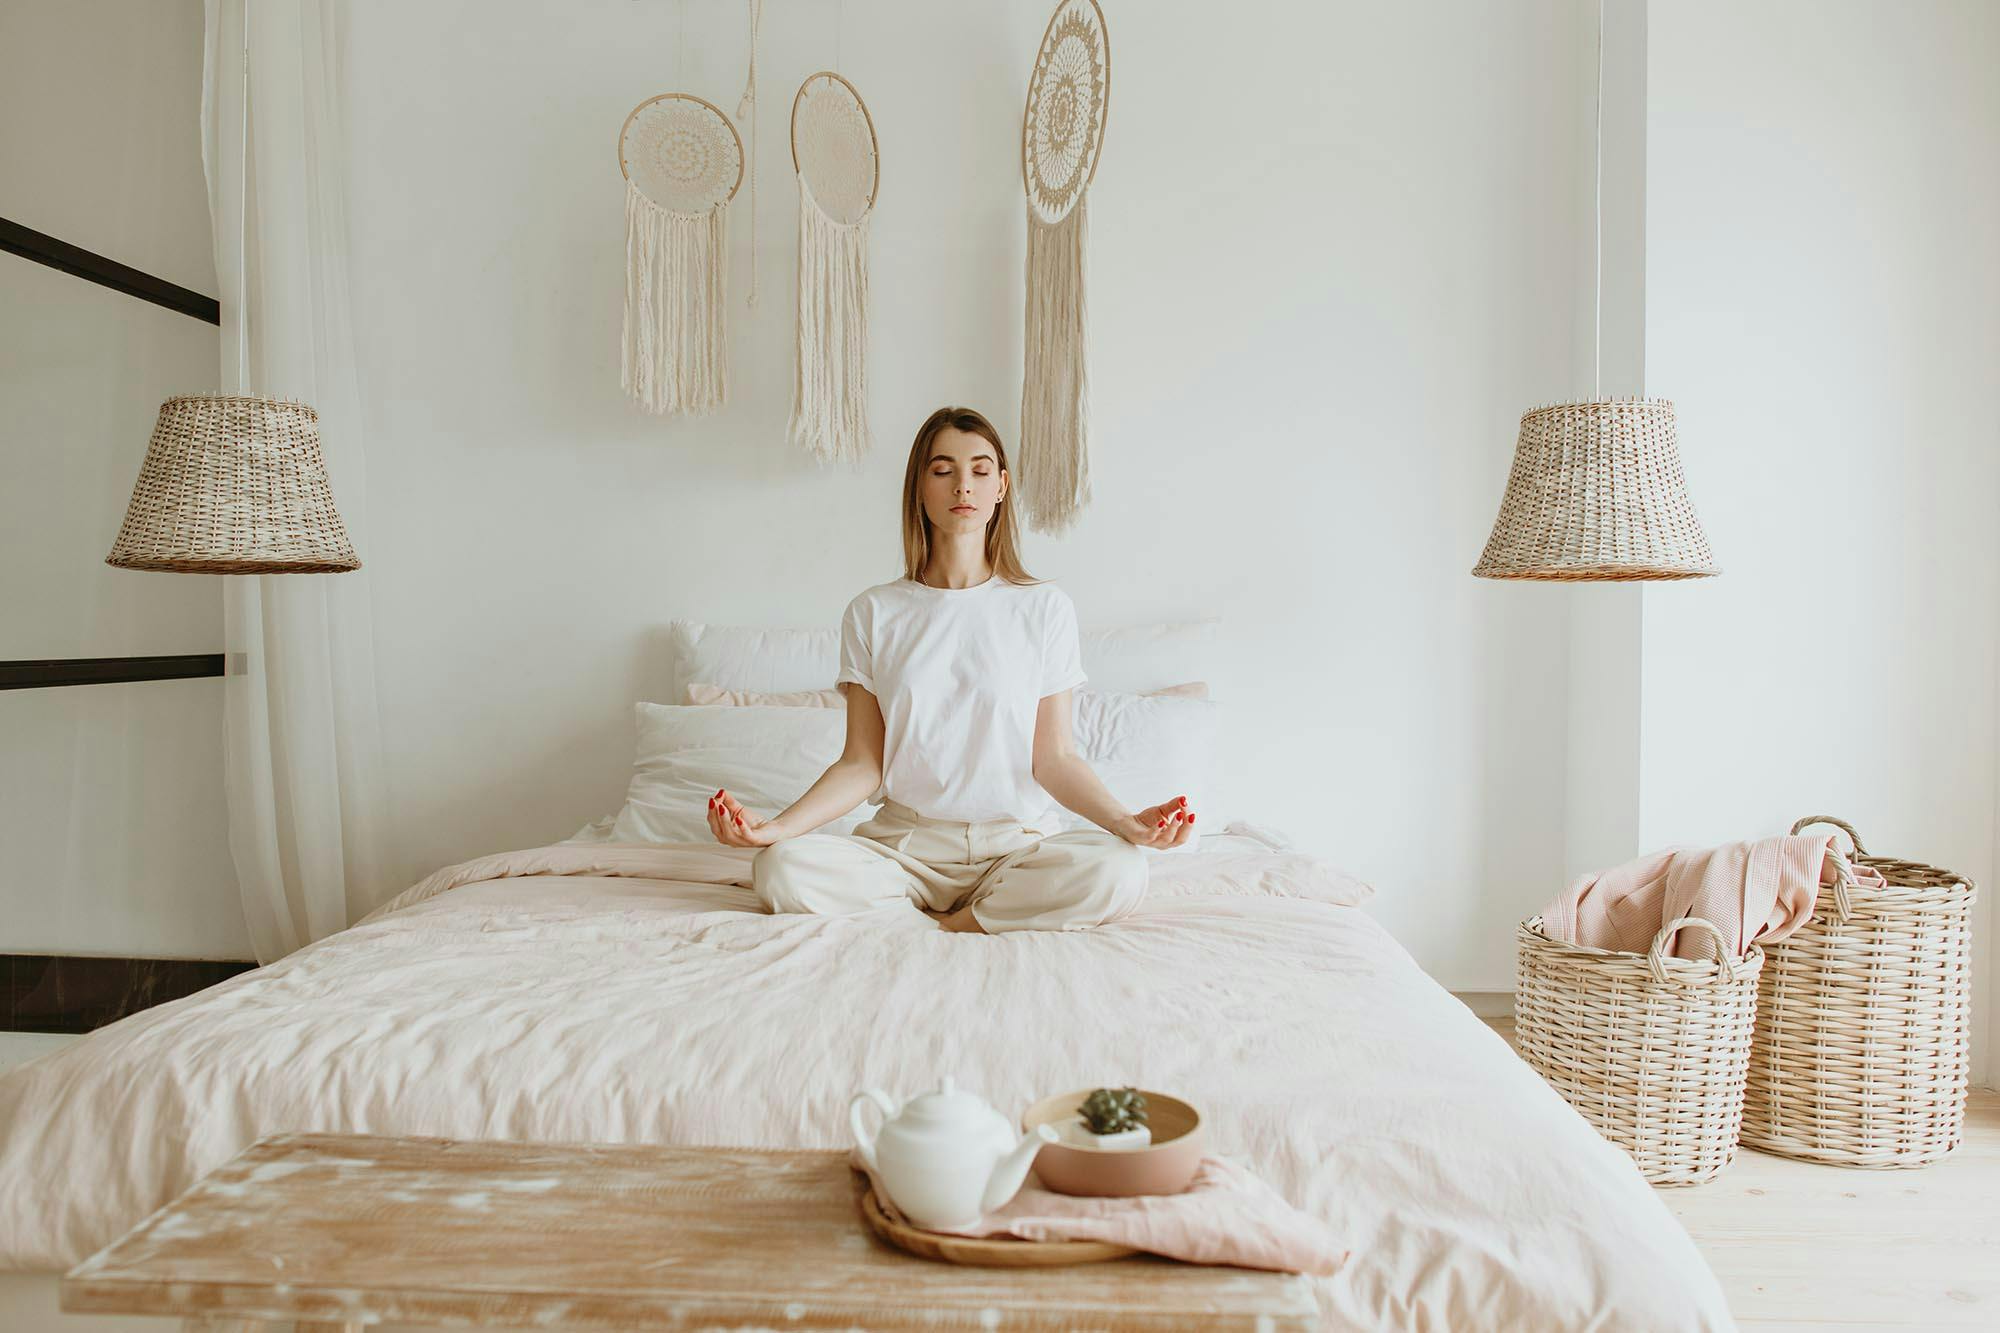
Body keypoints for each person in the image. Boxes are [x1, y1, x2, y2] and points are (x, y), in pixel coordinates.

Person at [705, 405, 1196, 933]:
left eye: (980, 471)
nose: (964, 485)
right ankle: (950, 916)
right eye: (943, 470)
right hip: (903, 850)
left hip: (1014, 848)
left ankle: (956, 923)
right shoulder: (874, 611)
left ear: (1001, 487)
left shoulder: (1044, 608)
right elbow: (862, 763)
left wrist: (1127, 823)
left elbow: (1053, 758)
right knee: (781, 868)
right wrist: (775, 828)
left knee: (1120, 870)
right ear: (919, 486)